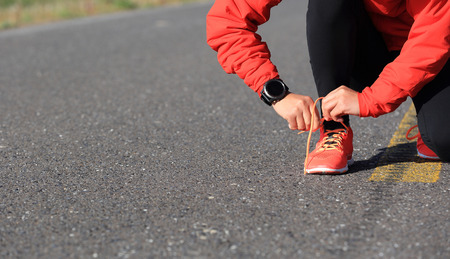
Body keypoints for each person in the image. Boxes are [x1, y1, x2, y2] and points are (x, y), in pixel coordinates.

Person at [206, 0, 450, 174]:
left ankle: (430, 126)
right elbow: (227, 21)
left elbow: (433, 39)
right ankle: (334, 126)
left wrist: (371, 100)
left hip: (434, 51)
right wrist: (275, 92)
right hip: (362, 51)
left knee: (444, 139)